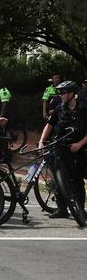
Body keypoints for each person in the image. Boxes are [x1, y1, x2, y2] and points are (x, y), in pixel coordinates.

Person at [38, 80, 87, 218]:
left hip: (77, 150)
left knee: (76, 180)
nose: (61, 95)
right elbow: (49, 125)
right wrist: (41, 141)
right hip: (60, 148)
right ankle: (62, 209)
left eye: (63, 92)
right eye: (60, 92)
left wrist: (80, 144)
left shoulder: (84, 108)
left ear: (72, 93)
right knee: (59, 179)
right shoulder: (60, 109)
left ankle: (80, 209)